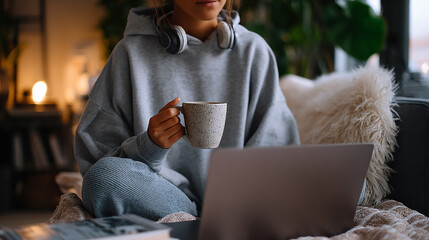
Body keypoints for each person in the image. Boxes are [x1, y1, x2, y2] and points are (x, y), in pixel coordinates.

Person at [74, 0, 300, 221]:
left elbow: (278, 155)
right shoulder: (129, 54)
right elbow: (97, 162)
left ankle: (205, 224)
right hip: (163, 200)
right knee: (103, 179)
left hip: (238, 204)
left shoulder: (254, 51)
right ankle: (196, 222)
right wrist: (148, 147)